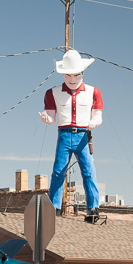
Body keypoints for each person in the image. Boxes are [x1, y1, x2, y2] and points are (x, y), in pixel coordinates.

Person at [39, 49, 103, 216]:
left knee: (89, 170)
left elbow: (98, 115)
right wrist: (47, 118)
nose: (72, 79)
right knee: (59, 171)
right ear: (63, 74)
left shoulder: (93, 92)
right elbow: (51, 116)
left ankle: (93, 207)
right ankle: (54, 208)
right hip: (64, 134)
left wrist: (94, 122)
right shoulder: (52, 93)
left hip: (83, 135)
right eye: (68, 75)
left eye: (76, 75)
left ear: (83, 72)